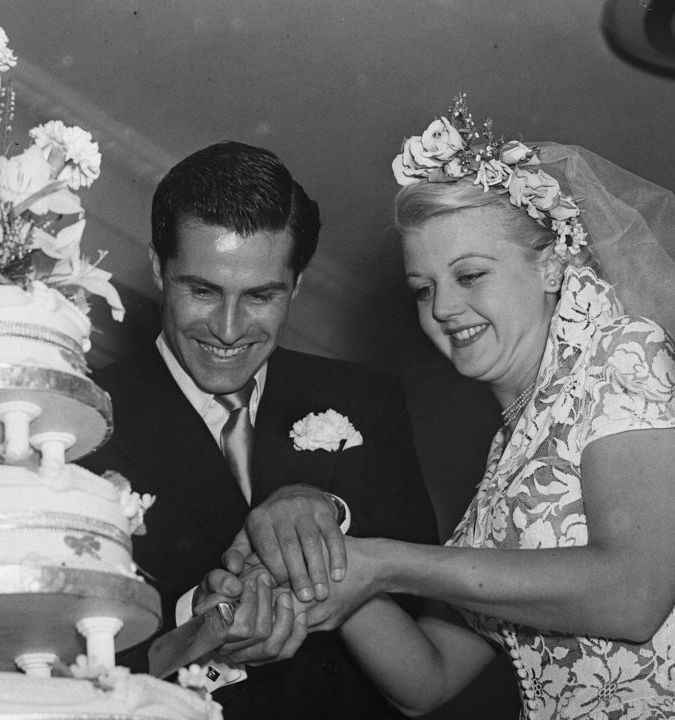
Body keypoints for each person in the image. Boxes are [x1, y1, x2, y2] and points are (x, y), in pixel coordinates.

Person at [202, 99, 675, 718]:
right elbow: (425, 681)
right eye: (424, 288)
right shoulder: (503, 470)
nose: (443, 308)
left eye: (471, 275)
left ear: (554, 264)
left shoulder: (624, 355)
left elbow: (635, 593)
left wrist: (388, 565)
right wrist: (321, 567)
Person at [80, 141, 438, 720]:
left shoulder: (366, 402)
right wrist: (192, 625)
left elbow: (428, 612)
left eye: (260, 296)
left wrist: (330, 511)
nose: (227, 330)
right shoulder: (84, 420)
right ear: (157, 269)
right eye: (201, 290)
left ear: (295, 286)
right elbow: (52, 665)